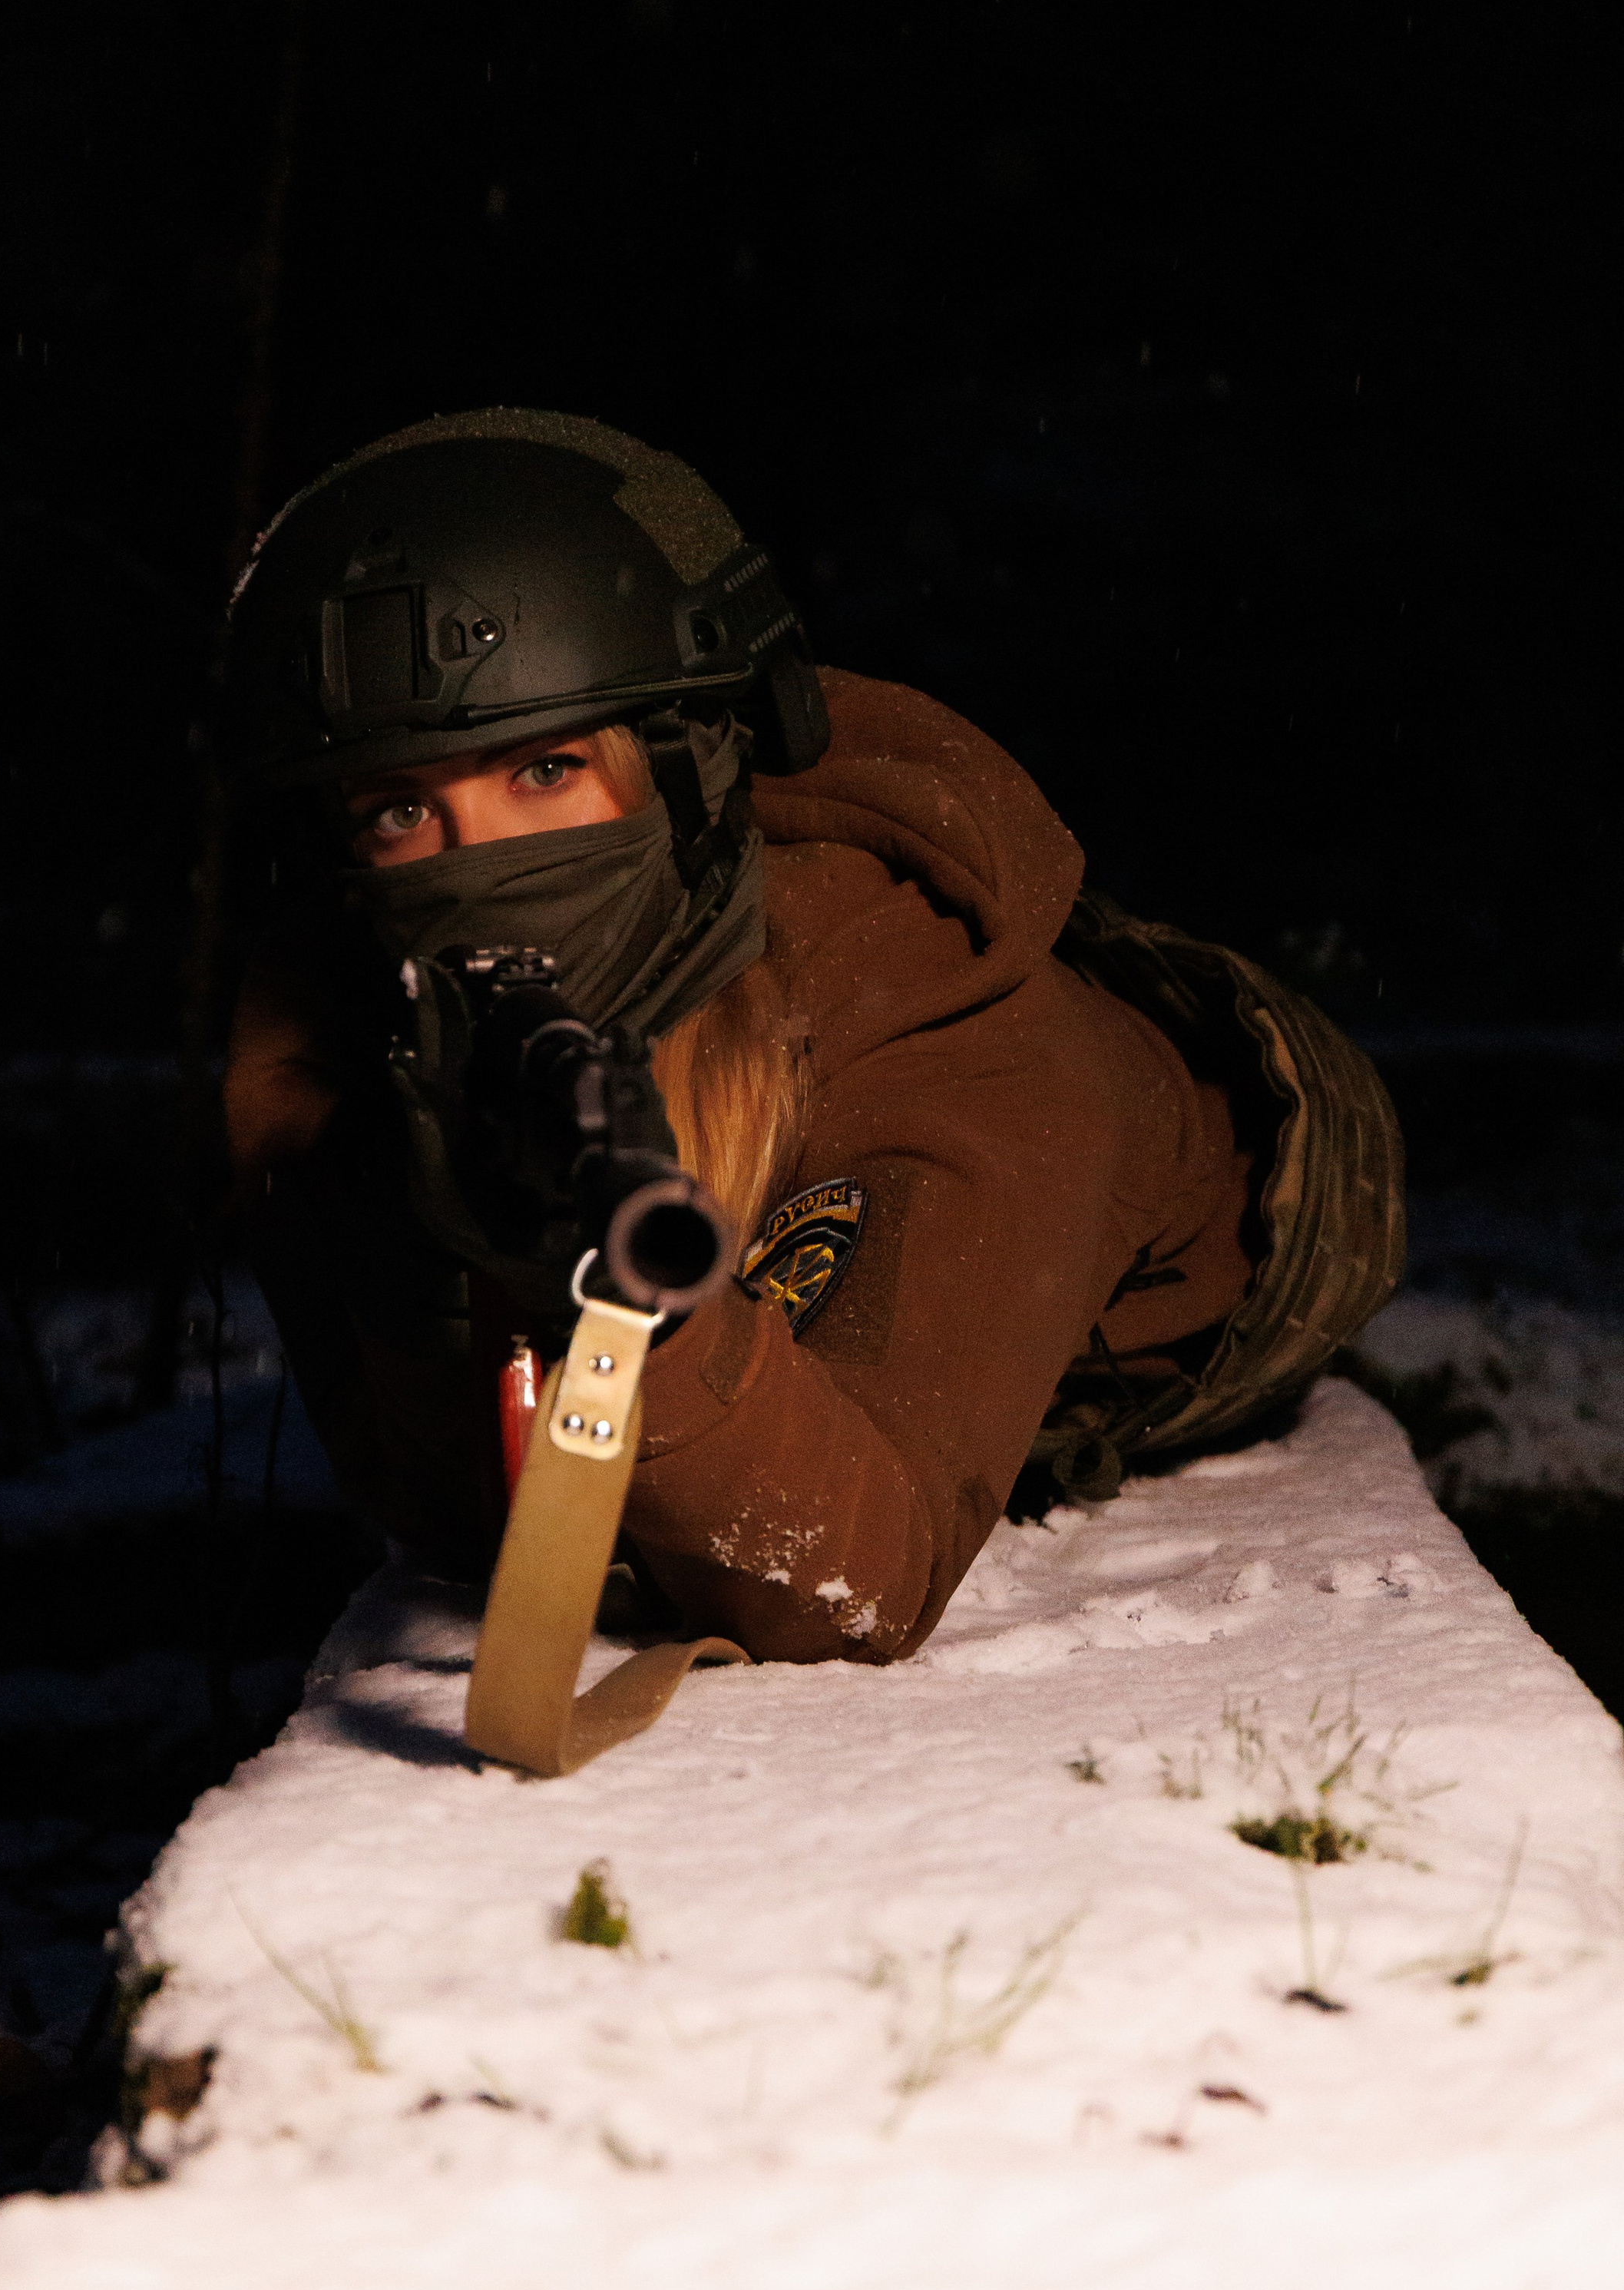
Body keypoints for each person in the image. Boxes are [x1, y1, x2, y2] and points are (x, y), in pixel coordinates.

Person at [220, 408, 1404, 1666]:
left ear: (674, 774)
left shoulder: (954, 1043)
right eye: (404, 808)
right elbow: (454, 1519)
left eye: (547, 772)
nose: (483, 867)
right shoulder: (348, 1048)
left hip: (1258, 1203)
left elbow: (852, 1583)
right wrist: (453, 1277)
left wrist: (641, 1317)